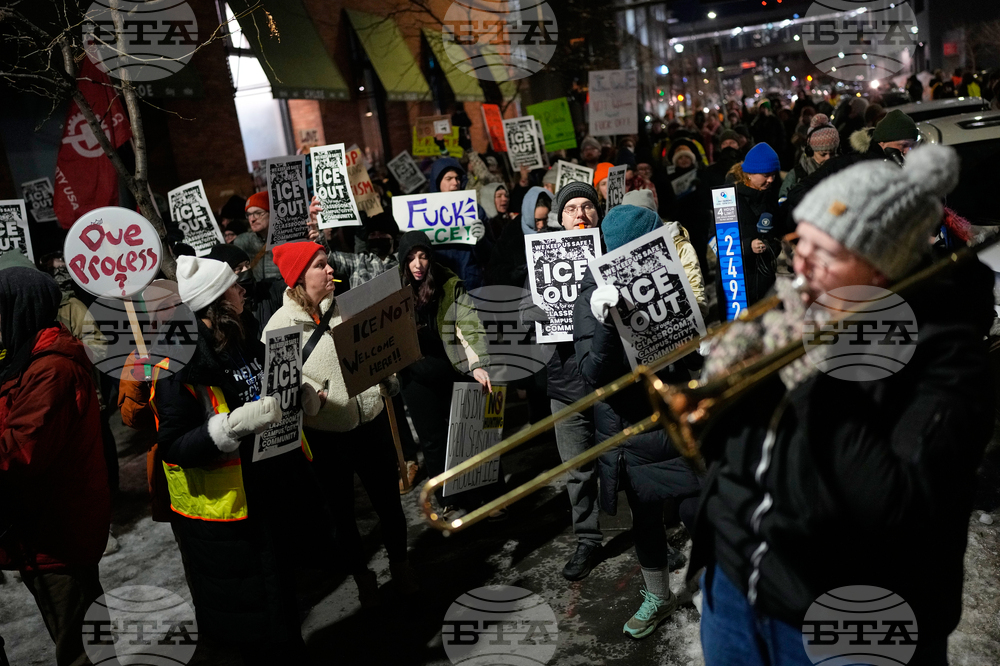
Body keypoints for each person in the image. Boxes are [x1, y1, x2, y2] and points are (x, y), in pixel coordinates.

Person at [691, 144, 993, 666]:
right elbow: (726, 459)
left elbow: (894, 509)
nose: (801, 264)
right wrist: (724, 387)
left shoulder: (946, 359)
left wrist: (817, 378)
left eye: (824, 253)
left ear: (880, 270)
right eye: (800, 241)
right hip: (737, 592)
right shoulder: (802, 314)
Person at [151, 255, 305, 662]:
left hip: (265, 496)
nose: (243, 290)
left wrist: (299, 399)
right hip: (224, 518)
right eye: (234, 286)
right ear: (217, 301)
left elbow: (268, 391)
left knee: (282, 610)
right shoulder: (177, 364)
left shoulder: (242, 336)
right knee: (249, 628)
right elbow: (173, 445)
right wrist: (229, 427)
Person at [263, 241, 416, 607]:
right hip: (329, 439)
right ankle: (364, 581)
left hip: (373, 422)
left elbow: (376, 347)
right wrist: (307, 394)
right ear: (300, 277)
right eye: (320, 266)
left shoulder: (348, 306)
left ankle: (402, 569)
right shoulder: (278, 328)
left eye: (328, 263)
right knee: (344, 517)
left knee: (390, 505)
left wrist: (388, 374)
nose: (330, 270)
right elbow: (280, 389)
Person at [575, 204, 702, 639]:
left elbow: (691, 347)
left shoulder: (669, 272)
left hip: (671, 415)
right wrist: (606, 320)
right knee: (645, 517)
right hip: (627, 425)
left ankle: (727, 585)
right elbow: (592, 373)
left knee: (698, 506)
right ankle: (658, 595)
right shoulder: (592, 289)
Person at [0, 267, 111, 666]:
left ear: (19, 309)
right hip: (43, 526)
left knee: (83, 647)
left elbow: (20, 453)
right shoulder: (24, 359)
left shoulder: (50, 368)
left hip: (57, 531)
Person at [396, 231, 495, 515]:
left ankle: (478, 493)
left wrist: (478, 364)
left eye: (423, 256)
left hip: (448, 367)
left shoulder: (449, 284)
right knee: (433, 440)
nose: (418, 264)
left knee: (465, 433)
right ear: (402, 261)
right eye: (412, 257)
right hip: (414, 376)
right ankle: (447, 498)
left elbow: (469, 323)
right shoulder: (391, 290)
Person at [541, 183, 605, 581]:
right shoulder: (542, 261)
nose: (580, 213)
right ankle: (588, 540)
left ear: (598, 214)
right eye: (571, 209)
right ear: (560, 219)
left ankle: (647, 530)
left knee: (626, 461)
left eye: (587, 207)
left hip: (609, 378)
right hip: (565, 383)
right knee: (578, 469)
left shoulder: (613, 252)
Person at [728, 143, 783, 306]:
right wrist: (746, 246)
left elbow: (777, 236)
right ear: (750, 173)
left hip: (765, 281)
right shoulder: (728, 199)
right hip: (736, 283)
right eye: (766, 175)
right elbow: (715, 242)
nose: (771, 180)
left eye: (773, 175)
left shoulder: (769, 198)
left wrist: (770, 245)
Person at [428, 157, 488, 290]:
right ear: (438, 182)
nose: (455, 183)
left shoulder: (475, 210)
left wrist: (481, 240)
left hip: (472, 284)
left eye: (458, 178)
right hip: (440, 285)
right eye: (449, 179)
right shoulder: (425, 213)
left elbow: (490, 254)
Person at [779, 115, 839, 200]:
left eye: (832, 153)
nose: (828, 158)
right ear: (810, 151)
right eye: (823, 154)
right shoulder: (796, 175)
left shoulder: (844, 169)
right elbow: (783, 201)